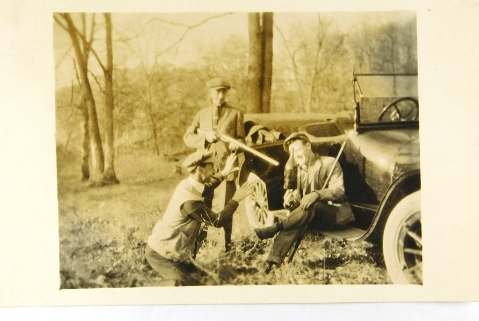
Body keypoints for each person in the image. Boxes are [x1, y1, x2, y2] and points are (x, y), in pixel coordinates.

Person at [145, 150, 254, 286]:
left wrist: (224, 173)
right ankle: (145, 290)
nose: (215, 170)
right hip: (161, 254)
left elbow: (205, 188)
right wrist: (236, 199)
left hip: (173, 251)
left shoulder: (187, 184)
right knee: (180, 284)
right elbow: (217, 221)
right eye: (211, 166)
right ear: (200, 169)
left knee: (203, 281)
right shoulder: (191, 203)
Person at [253, 132, 355, 273]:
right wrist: (291, 201)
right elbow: (301, 202)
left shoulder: (329, 163)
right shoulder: (299, 170)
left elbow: (339, 191)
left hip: (334, 216)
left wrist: (316, 194)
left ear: (308, 145)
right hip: (309, 215)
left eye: (298, 149)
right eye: (293, 153)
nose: (296, 155)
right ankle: (270, 262)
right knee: (301, 214)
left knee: (312, 204)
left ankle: (277, 228)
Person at [183, 77, 245, 250]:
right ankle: (199, 243)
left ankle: (227, 245)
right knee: (203, 205)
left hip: (229, 167)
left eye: (224, 91)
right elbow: (187, 137)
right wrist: (205, 137)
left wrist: (237, 144)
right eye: (217, 91)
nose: (221, 95)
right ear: (210, 94)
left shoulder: (236, 114)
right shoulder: (201, 115)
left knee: (228, 206)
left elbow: (242, 139)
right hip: (206, 170)